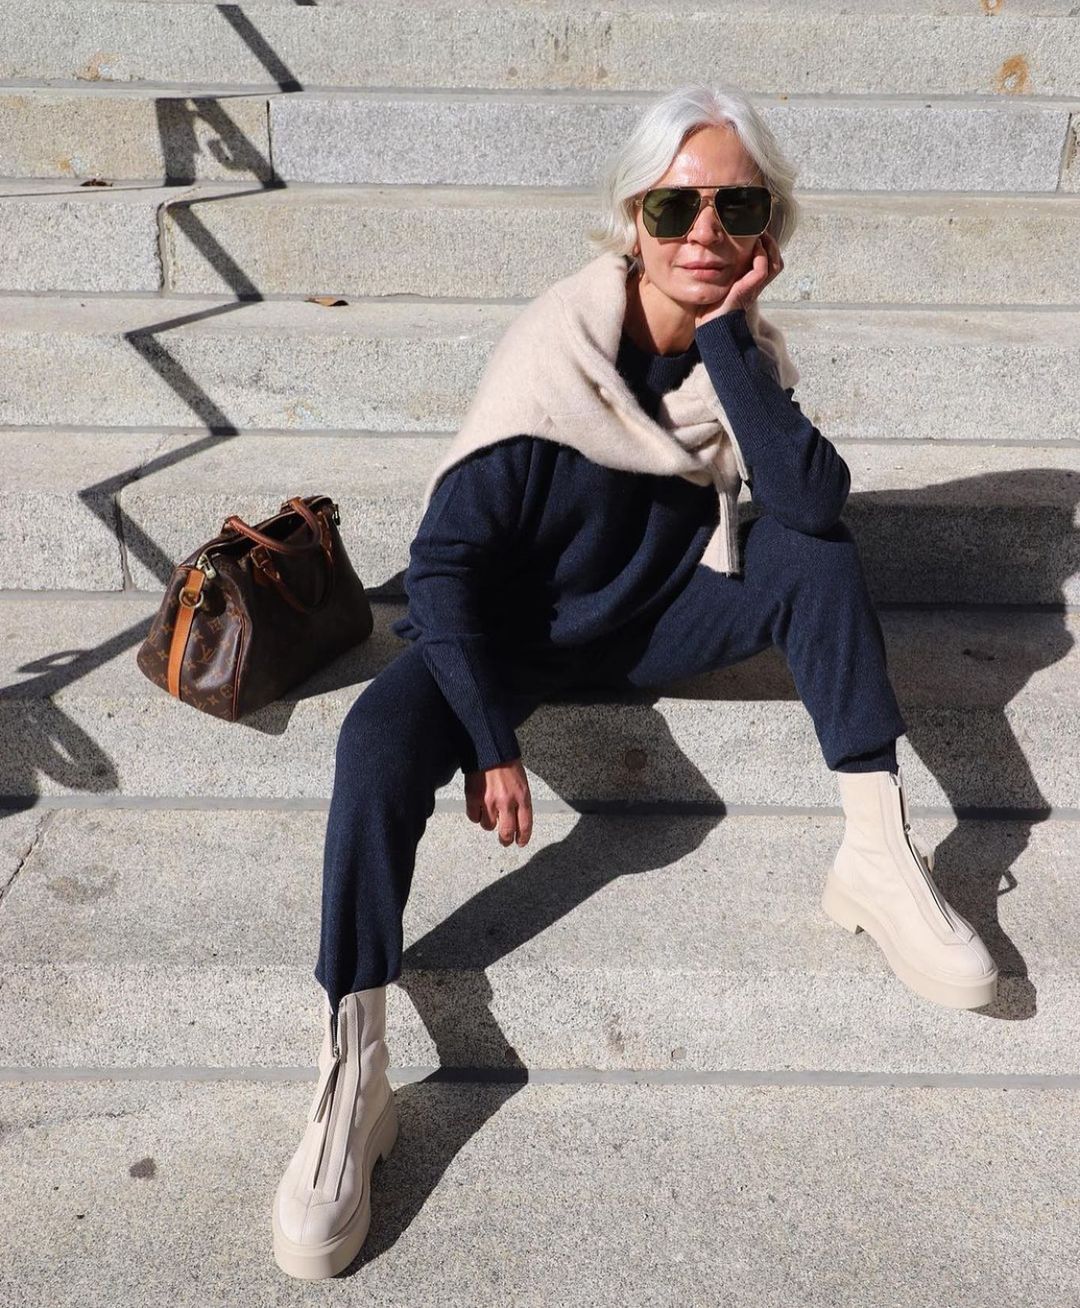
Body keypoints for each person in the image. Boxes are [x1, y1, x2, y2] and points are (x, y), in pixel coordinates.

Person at [271, 81, 999, 1280]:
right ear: (632, 221)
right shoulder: (553, 361)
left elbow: (815, 506)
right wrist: (490, 740)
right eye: (675, 207)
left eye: (736, 208)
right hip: (506, 639)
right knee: (373, 745)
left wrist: (727, 338)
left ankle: (878, 854)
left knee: (813, 557)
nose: (704, 231)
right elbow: (441, 573)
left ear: (768, 230)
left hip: (652, 618)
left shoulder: (737, 359)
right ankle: (355, 1063)